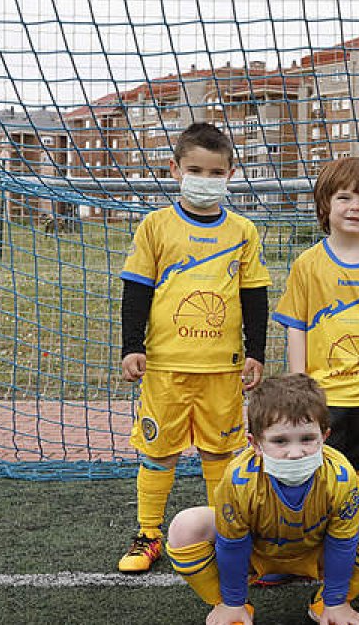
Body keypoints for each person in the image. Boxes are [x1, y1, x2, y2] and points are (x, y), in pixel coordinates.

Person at [118, 122, 271, 573]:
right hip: (165, 367)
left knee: (220, 455)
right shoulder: (156, 226)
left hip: (221, 370)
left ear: (230, 173)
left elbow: (254, 296)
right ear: (176, 169)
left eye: (215, 171)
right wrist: (132, 346)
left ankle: (227, 536)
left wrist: (255, 351)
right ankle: (148, 535)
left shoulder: (242, 230)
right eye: (195, 169)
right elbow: (137, 290)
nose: (205, 179)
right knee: (159, 451)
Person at [165, 373, 359, 625]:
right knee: (185, 526)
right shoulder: (238, 478)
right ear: (255, 444)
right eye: (280, 441)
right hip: (255, 557)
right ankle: (230, 606)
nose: (296, 453)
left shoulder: (341, 475)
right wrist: (232, 601)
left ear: (325, 436)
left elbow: (342, 543)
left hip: (316, 553)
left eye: (308, 439)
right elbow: (232, 544)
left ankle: (328, 604)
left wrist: (336, 600)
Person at [273, 156, 359, 482]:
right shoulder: (308, 264)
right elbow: (297, 328)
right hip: (328, 396)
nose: (355, 207)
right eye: (344, 197)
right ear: (324, 205)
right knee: (329, 478)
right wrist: (300, 387)